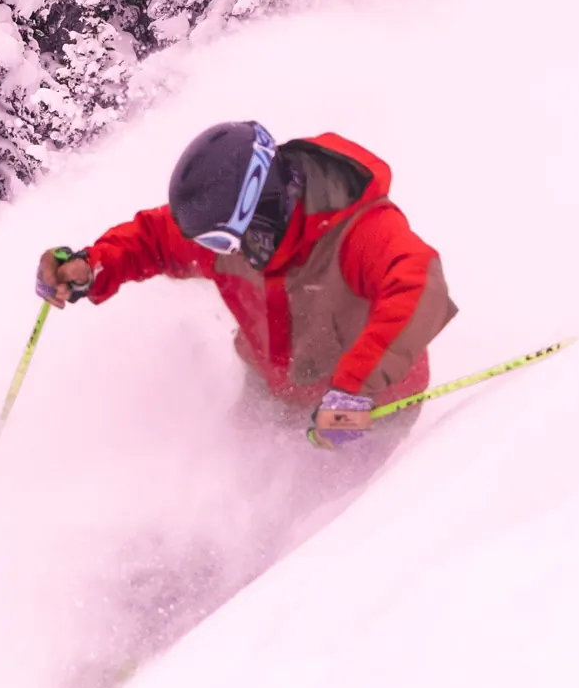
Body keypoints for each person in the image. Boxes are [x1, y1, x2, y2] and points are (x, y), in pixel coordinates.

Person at [38, 123, 457, 452]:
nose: (211, 252)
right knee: (226, 486)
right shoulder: (238, 236)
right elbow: (154, 239)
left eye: (218, 241)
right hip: (272, 393)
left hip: (364, 410)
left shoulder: (356, 230)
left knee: (323, 528)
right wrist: (92, 266)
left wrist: (354, 390)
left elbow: (420, 286)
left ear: (261, 209)